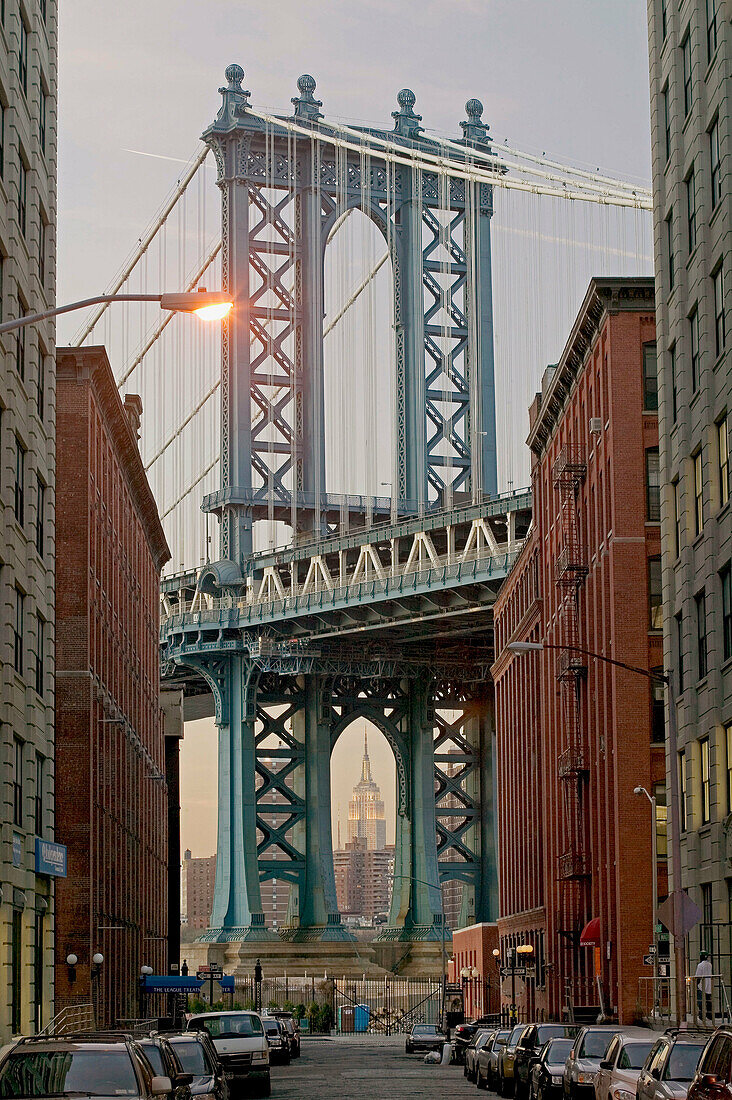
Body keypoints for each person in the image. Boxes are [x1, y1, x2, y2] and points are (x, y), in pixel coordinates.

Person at [695, 950, 713, 1021]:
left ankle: (701, 1016)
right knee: (708, 1001)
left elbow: (698, 976)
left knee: (701, 1002)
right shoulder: (709, 964)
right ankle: (709, 1015)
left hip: (702, 986)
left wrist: (696, 984)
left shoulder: (700, 965)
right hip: (708, 985)